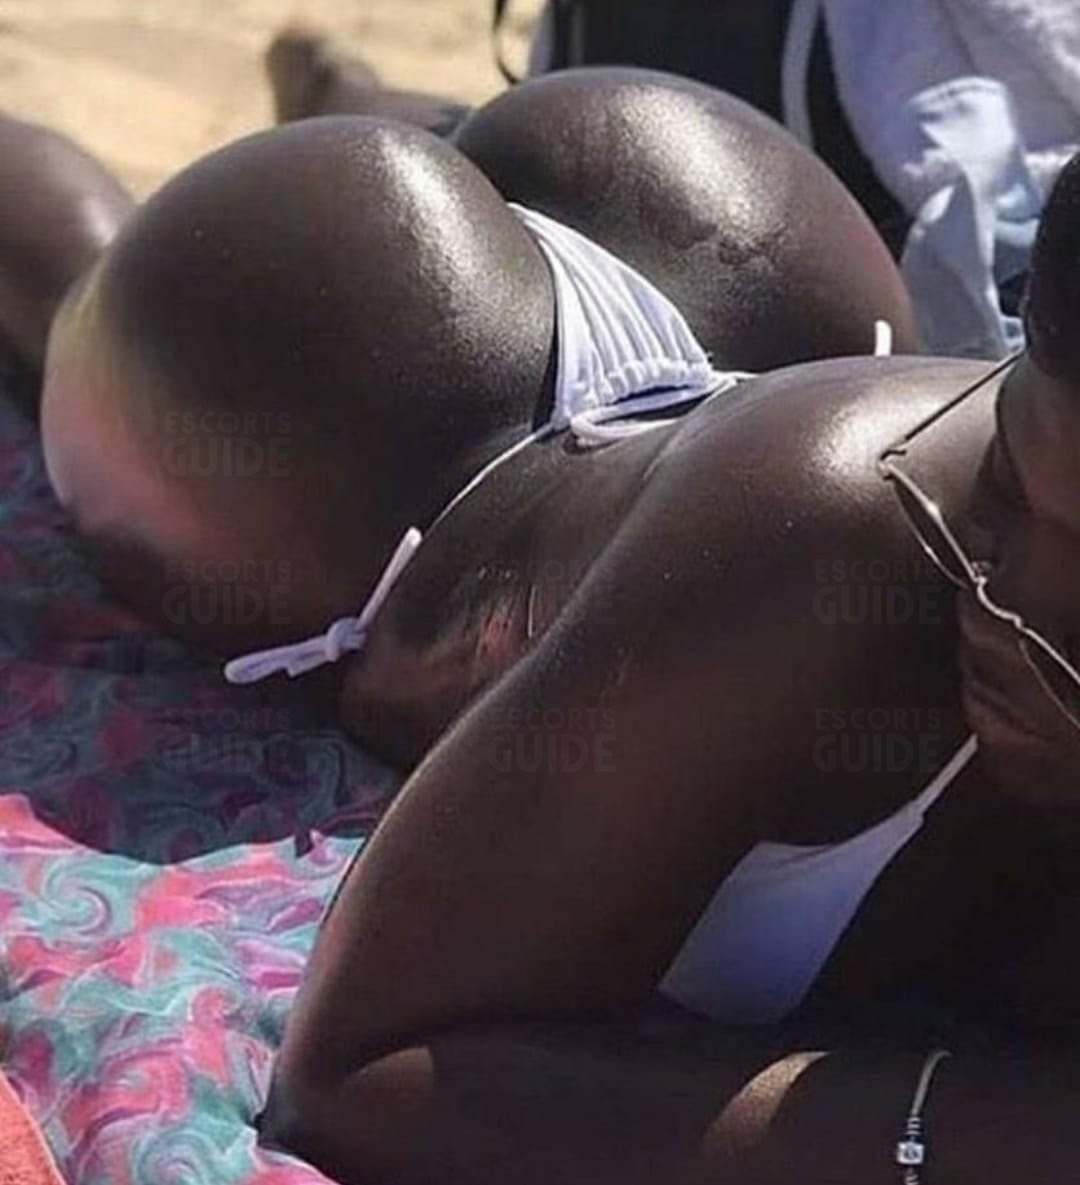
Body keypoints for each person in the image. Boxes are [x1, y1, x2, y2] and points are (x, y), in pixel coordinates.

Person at [4, 61, 1078, 1185]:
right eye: (1003, 469)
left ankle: (349, 85)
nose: (992, 576)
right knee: (71, 290)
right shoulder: (838, 553)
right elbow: (361, 1072)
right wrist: (988, 1133)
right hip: (383, 392)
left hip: (741, 288)